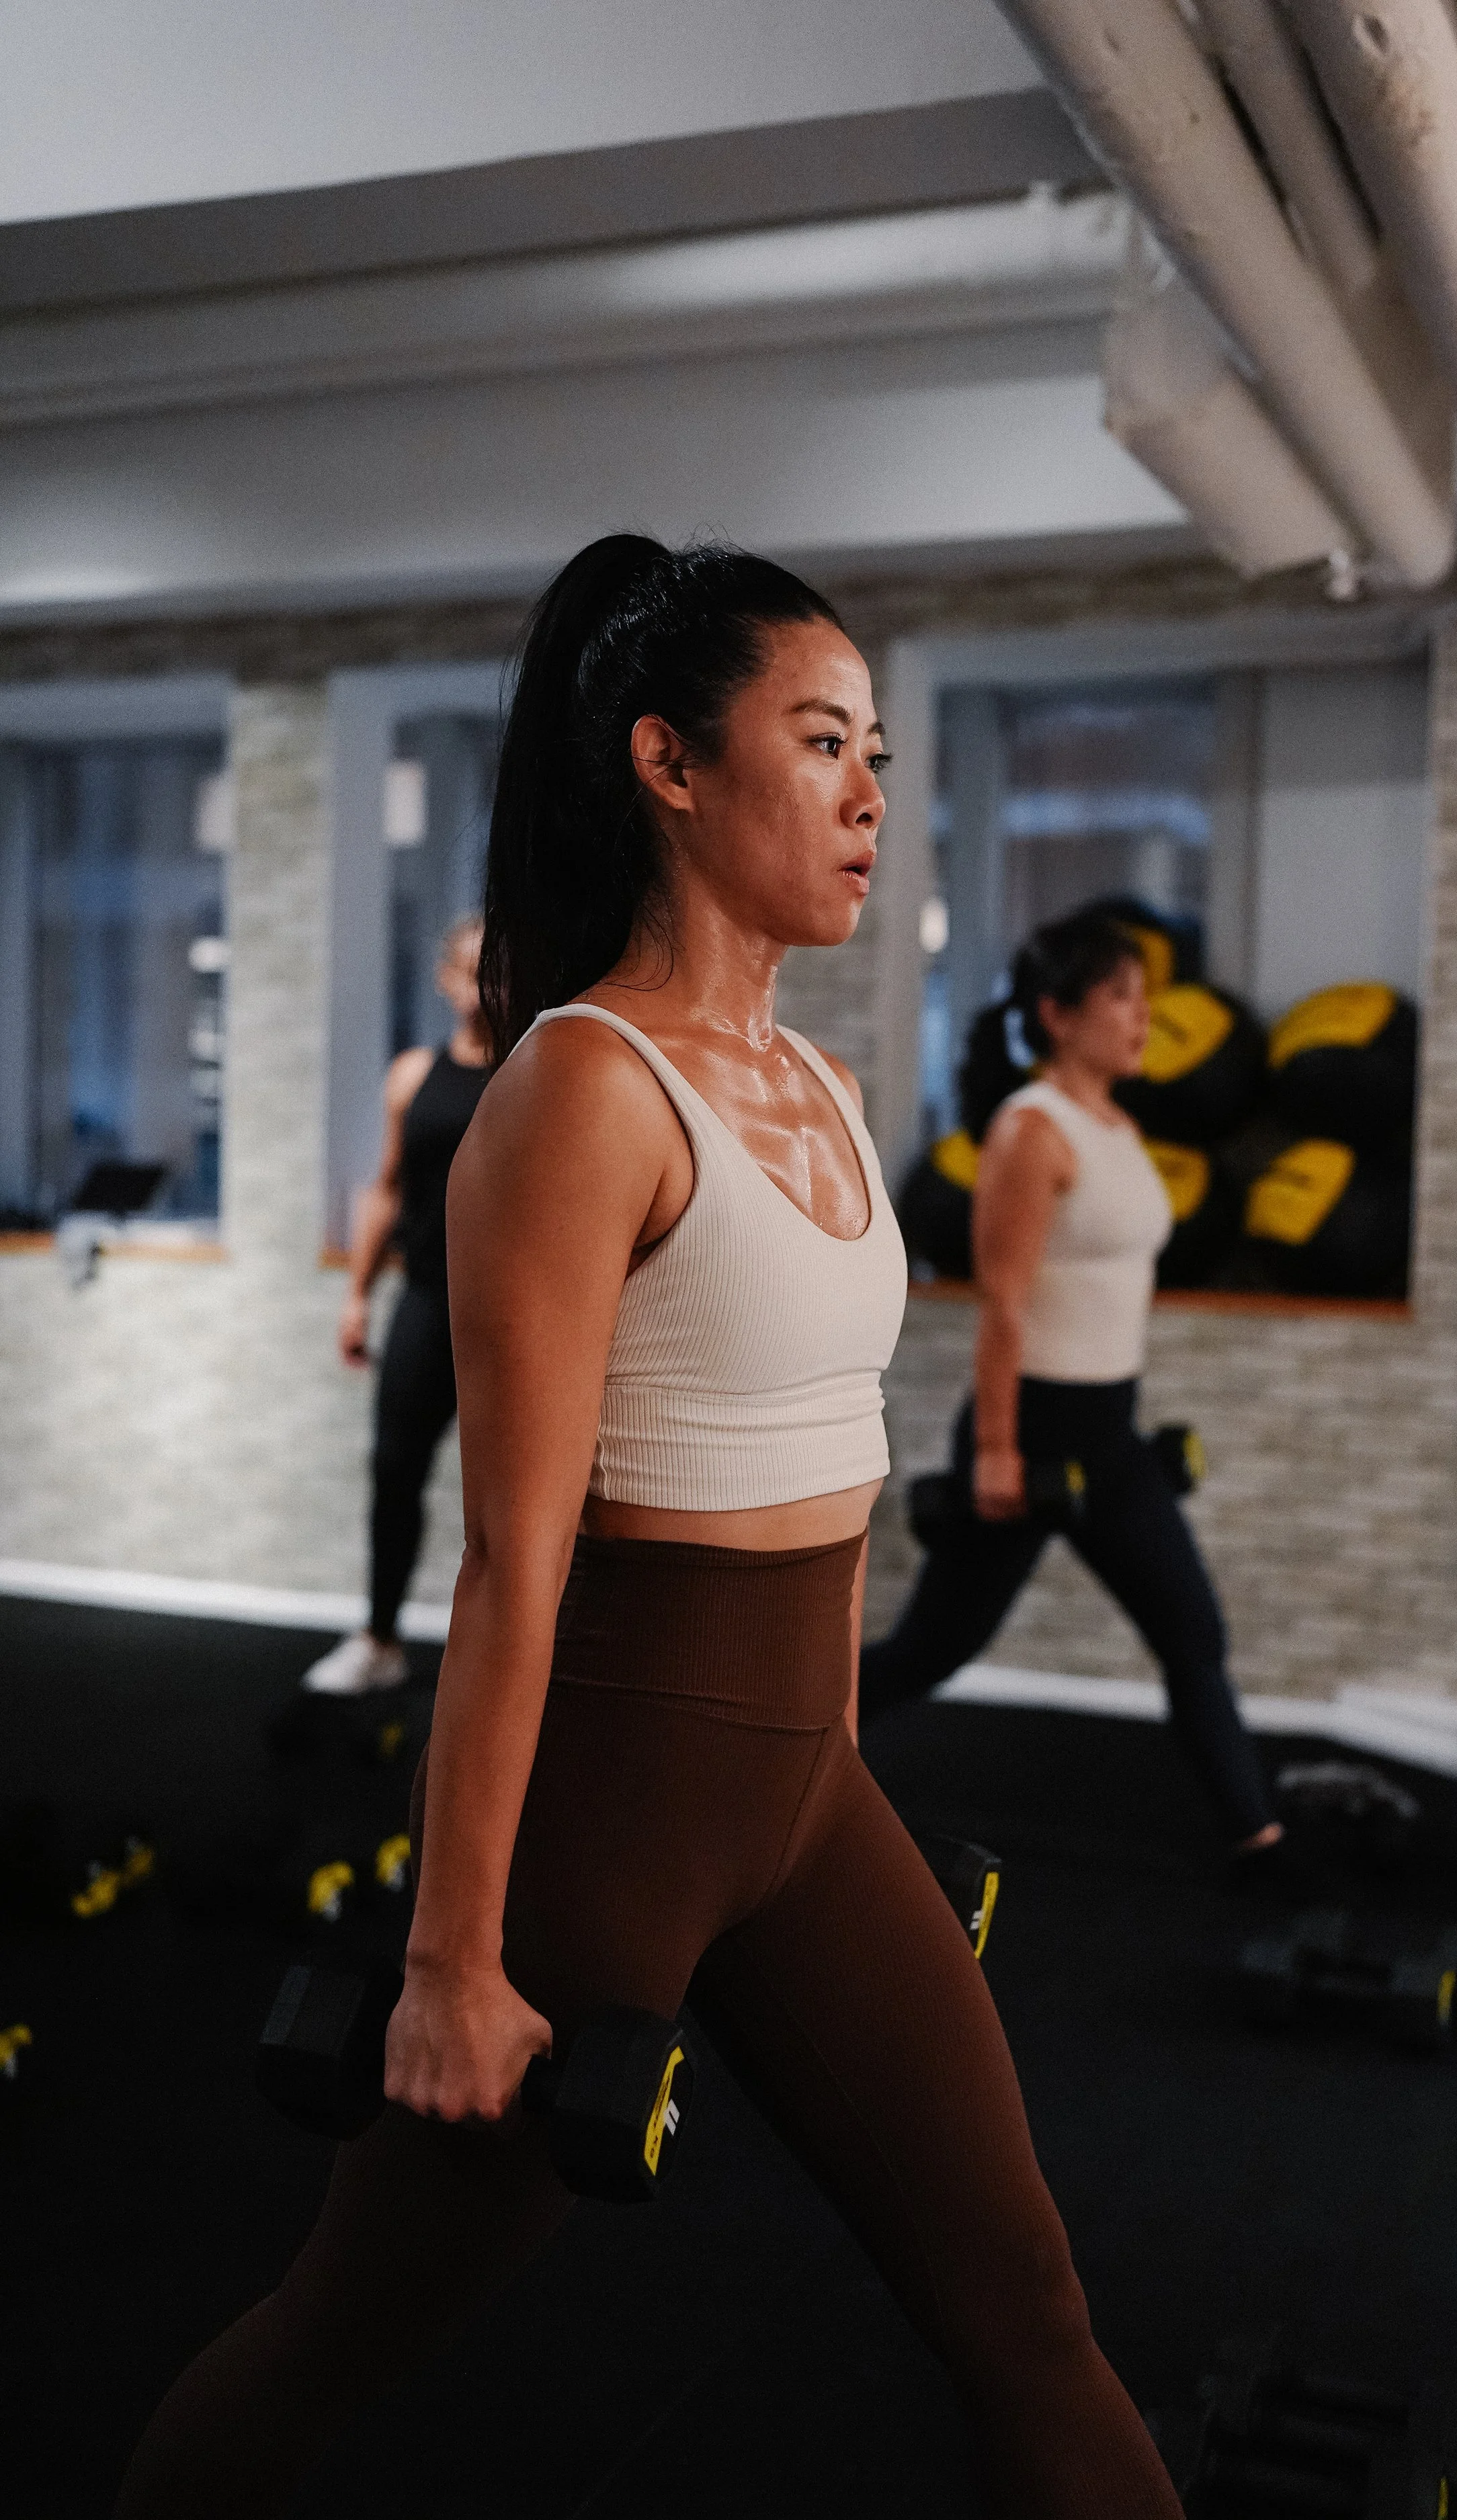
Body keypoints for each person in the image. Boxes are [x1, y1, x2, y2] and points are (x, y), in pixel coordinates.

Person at [116, 540, 1182, 2520]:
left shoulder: (824, 1086)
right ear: (669, 766)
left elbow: (845, 1466)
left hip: (799, 1794)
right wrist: (447, 1956)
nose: (870, 791)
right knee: (336, 2329)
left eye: (877, 749)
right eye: (817, 742)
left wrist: (839, 1775)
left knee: (1026, 2304)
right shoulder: (577, 1092)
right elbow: (514, 1556)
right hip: (604, 1818)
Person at [859, 907, 1284, 1876]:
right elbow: (1003, 1303)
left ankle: (1260, 1838)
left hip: (1111, 1431)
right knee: (933, 1649)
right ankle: (777, 1763)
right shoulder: (1029, 1131)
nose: (1145, 1018)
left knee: (1193, 1630)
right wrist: (999, 1451)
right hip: (1032, 1429)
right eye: (1122, 998)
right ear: (1057, 1014)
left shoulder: (1119, 1126)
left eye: (1148, 997)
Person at [300, 914, 493, 1697]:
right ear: (447, 980)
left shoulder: (538, 1070)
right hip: (424, 1298)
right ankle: (380, 1639)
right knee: (392, 1470)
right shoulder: (413, 1076)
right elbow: (387, 1189)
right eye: (476, 969)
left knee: (514, 1495)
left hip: (510, 1313)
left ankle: (518, 1660)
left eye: (504, 967)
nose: (491, 983)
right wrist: (355, 1297)